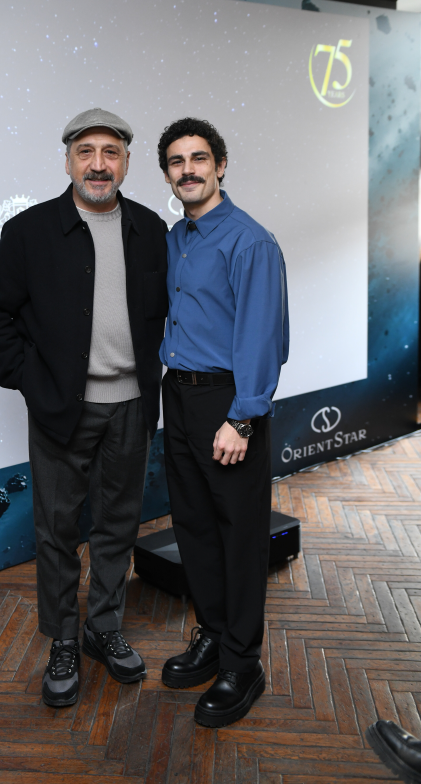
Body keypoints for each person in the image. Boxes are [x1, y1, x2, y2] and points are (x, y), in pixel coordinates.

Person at [0, 108, 168, 707]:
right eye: (86, 152)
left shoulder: (151, 229)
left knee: (118, 525)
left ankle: (102, 628)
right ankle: (62, 638)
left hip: (132, 407)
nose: (98, 164)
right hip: (62, 410)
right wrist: (30, 379)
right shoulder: (30, 231)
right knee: (57, 531)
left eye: (111, 153)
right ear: (67, 162)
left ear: (126, 163)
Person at [157, 117, 289, 728]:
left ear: (221, 165)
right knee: (195, 527)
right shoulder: (176, 239)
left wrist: (242, 418)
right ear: (168, 174)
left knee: (239, 535)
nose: (188, 170)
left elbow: (263, 337)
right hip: (178, 395)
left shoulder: (250, 241)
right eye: (177, 161)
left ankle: (242, 662)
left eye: (199, 158)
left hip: (227, 403)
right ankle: (211, 635)